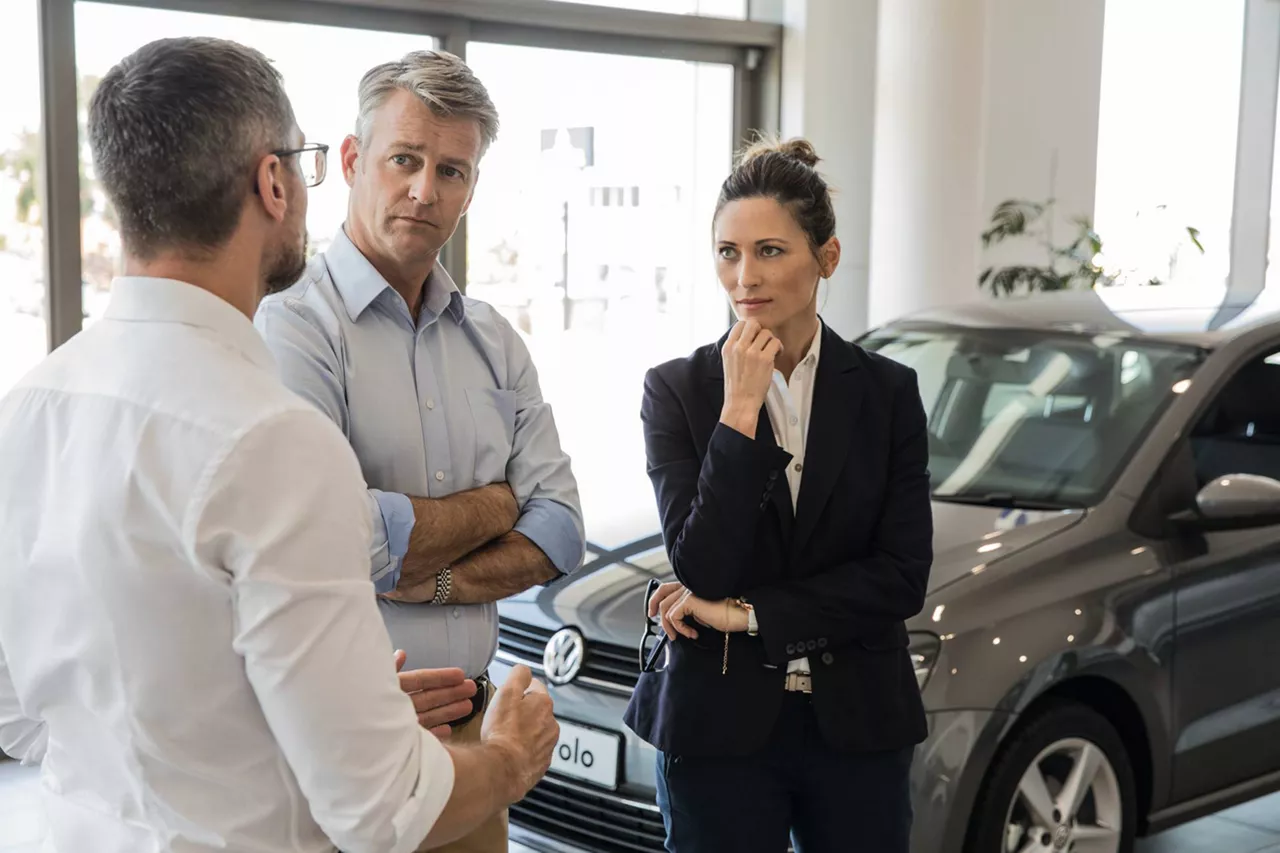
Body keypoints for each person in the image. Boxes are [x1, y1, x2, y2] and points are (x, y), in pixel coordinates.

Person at [0, 37, 558, 853]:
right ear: (273, 182)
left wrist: (315, 713)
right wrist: (509, 757)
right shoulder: (275, 441)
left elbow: (20, 712)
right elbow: (381, 809)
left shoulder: (27, 409)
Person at [255, 49, 584, 853]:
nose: (425, 191)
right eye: (405, 159)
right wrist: (496, 505)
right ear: (353, 159)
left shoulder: (494, 342)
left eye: (453, 170)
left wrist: (431, 577)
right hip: (353, 733)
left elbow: (563, 531)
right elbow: (337, 537)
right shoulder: (293, 325)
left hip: (476, 736)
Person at [623, 138, 934, 853]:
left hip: (858, 723)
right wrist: (739, 412)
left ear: (826, 257)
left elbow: (900, 576)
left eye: (769, 250)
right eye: (727, 252)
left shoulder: (888, 393)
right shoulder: (676, 389)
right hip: (720, 728)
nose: (744, 276)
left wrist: (749, 614)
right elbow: (701, 565)